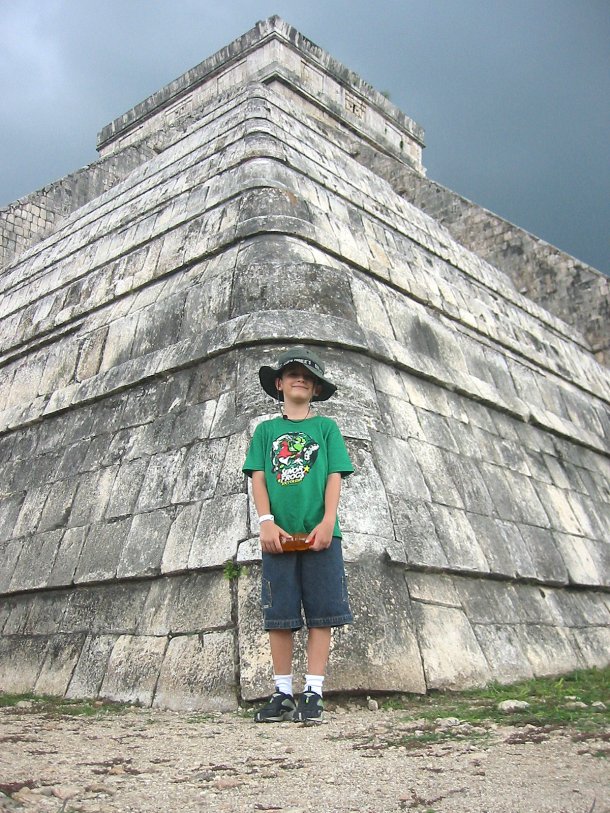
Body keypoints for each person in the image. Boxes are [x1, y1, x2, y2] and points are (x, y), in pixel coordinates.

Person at [242, 347, 354, 723]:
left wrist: (328, 522)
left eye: (308, 375)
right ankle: (282, 691)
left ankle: (314, 691)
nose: (300, 378)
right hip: (279, 535)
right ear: (279, 384)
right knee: (281, 613)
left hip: (322, 534)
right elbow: (258, 477)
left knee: (322, 613)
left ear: (317, 389)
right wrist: (266, 521)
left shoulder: (326, 429)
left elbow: (335, 476)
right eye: (291, 372)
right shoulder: (266, 431)